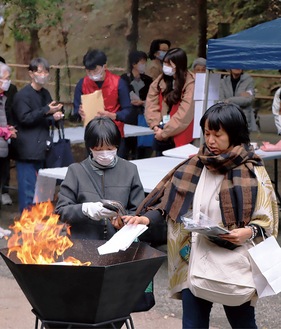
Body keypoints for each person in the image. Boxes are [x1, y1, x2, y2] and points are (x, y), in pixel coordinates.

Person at [123, 103, 278, 329]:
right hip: (194, 258)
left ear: (234, 134)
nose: (211, 141)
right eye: (207, 134)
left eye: (218, 134)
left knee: (243, 323)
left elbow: (267, 218)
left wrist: (248, 231)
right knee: (193, 324)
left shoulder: (253, 170)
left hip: (235, 261)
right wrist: (145, 219)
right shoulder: (195, 165)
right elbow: (170, 205)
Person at [55, 116, 145, 240]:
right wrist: (85, 209)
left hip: (118, 245)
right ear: (90, 147)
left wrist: (125, 221)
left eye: (109, 149)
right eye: (98, 149)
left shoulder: (130, 170)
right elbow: (61, 211)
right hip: (83, 246)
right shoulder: (76, 171)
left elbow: (139, 211)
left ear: (117, 145)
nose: (104, 153)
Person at [11, 57, 63, 213]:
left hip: (42, 149)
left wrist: (56, 115)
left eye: (46, 71)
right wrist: (46, 111)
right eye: (40, 71)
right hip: (27, 150)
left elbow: (45, 115)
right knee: (28, 190)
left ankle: (41, 223)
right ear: (31, 74)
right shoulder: (22, 96)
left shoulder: (45, 93)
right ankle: (27, 226)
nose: (44, 75)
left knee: (43, 190)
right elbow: (25, 118)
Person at [73, 49, 133, 158]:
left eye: (95, 70)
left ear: (104, 66)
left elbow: (128, 111)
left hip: (114, 134)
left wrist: (113, 115)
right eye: (88, 71)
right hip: (92, 135)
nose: (91, 74)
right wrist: (79, 112)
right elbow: (75, 110)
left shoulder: (118, 83)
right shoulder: (82, 84)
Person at [145, 47, 195, 156]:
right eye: (165, 63)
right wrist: (155, 126)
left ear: (178, 65)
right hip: (160, 131)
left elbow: (184, 114)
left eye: (169, 64)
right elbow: (151, 104)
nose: (165, 67)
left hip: (180, 137)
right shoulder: (160, 81)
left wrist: (165, 132)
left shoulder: (190, 84)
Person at [121, 50, 153, 159]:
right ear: (134, 64)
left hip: (143, 115)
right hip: (129, 116)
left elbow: (153, 98)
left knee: (143, 147)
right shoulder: (124, 79)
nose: (144, 65)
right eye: (142, 62)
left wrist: (143, 102)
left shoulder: (148, 80)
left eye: (145, 62)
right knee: (128, 144)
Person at [0, 57, 17, 205]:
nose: (7, 81)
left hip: (4, 141)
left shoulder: (8, 93)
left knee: (5, 165)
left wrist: (9, 127)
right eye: (5, 78)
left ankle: (4, 191)